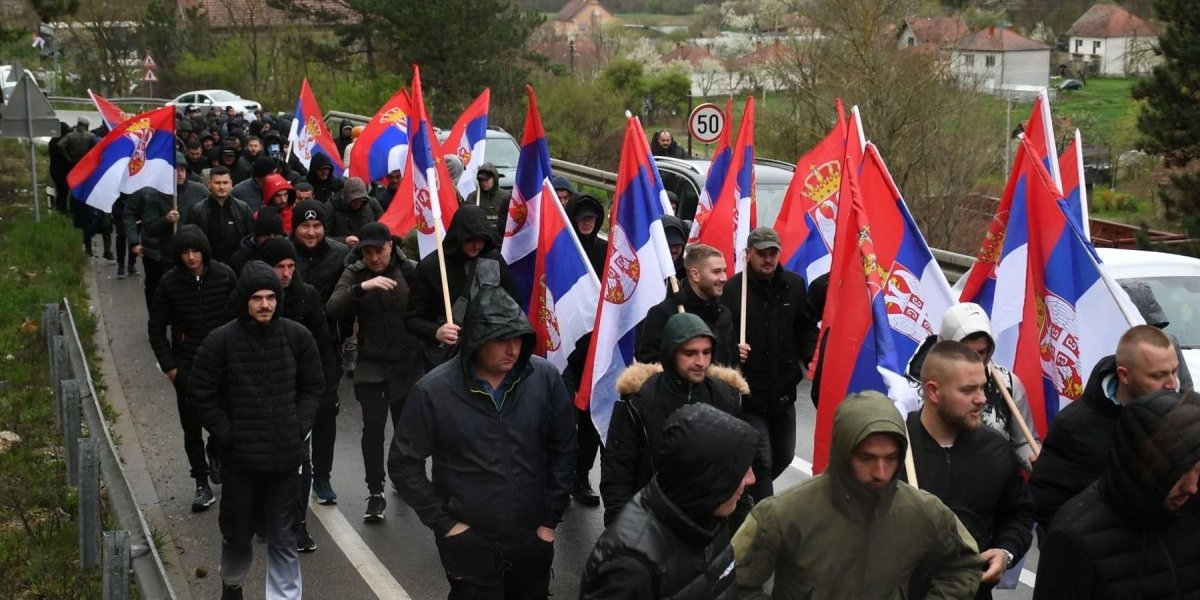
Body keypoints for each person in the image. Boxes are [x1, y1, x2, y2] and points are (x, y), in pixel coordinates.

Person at [389, 284, 576, 599]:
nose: (512, 349)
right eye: (501, 339)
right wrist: (447, 526)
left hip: (531, 541)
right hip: (468, 545)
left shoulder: (544, 378)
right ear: (477, 340)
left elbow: (565, 450)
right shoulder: (433, 391)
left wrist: (548, 524)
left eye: (518, 338)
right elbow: (404, 464)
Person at [732, 390, 985, 599]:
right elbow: (734, 584)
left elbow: (964, 565)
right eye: (867, 458)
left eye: (891, 458)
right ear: (844, 452)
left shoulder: (922, 511)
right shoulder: (782, 514)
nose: (881, 472)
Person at [189, 261, 324, 600]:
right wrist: (227, 434)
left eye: (271, 297)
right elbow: (201, 394)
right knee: (237, 536)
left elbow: (313, 387)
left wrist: (298, 426)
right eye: (257, 298)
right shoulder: (221, 341)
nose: (265, 305)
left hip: (284, 459)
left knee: (283, 536)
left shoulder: (298, 337)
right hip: (240, 462)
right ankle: (233, 585)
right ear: (244, 300)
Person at [580, 404, 758, 599]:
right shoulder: (628, 569)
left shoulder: (713, 519)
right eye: (740, 470)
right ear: (707, 478)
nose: (751, 479)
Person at [1034, 390, 1200, 599]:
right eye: (1179, 471)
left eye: (1198, 469)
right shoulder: (1073, 542)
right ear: (1144, 462)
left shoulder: (1191, 510)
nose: (1192, 487)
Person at [906, 341, 1035, 600]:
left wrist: (1006, 552)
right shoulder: (897, 448)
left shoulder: (996, 450)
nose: (982, 399)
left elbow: (1018, 516)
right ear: (933, 391)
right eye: (968, 390)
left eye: (982, 387)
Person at [601, 312, 749, 526]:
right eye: (690, 353)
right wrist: (619, 528)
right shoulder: (639, 400)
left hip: (708, 526)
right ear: (671, 353)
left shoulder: (727, 399)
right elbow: (618, 471)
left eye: (707, 352)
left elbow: (738, 470)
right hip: (651, 522)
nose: (701, 362)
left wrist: (741, 528)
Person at [1030, 324, 1180, 532]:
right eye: (1158, 375)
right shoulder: (1074, 426)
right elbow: (1048, 504)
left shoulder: (1183, 416)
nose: (1172, 384)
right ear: (1124, 375)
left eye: (1174, 371)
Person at [327, 223, 423, 522]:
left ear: (391, 246)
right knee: (373, 428)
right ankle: (375, 490)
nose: (374, 257)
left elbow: (428, 309)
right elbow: (333, 307)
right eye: (367, 252)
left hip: (407, 366)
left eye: (379, 251)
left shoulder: (410, 271)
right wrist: (361, 289)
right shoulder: (355, 272)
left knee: (406, 430)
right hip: (371, 365)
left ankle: (403, 476)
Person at [722, 227, 819, 502]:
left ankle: (741, 493)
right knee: (762, 461)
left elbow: (806, 327)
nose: (768, 259)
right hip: (749, 397)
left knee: (784, 455)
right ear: (749, 254)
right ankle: (762, 515)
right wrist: (732, 349)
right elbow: (719, 333)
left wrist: (806, 362)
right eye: (762, 253)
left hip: (783, 393)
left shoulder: (794, 286)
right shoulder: (733, 291)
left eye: (773, 253)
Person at [146, 225, 237, 511]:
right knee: (191, 426)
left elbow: (239, 316)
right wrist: (171, 368)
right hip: (187, 365)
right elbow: (156, 328)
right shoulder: (169, 283)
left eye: (195, 251)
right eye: (185, 252)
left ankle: (217, 451)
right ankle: (200, 481)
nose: (191, 257)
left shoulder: (224, 275)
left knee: (225, 418)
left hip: (223, 364)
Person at [261, 239, 341, 553]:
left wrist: (327, 389)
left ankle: (298, 524)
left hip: (299, 393)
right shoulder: (254, 298)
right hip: (262, 394)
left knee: (300, 459)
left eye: (291, 266)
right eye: (279, 267)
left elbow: (324, 346)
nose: (285, 273)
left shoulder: (307, 296)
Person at [906, 303, 1040, 471]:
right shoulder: (910, 390)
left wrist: (1037, 461)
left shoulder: (1008, 385)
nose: (975, 359)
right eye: (966, 351)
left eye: (982, 352)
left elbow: (1024, 442)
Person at [288, 200, 350, 504]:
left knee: (326, 413)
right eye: (305, 226)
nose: (311, 232)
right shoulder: (284, 254)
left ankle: (322, 477)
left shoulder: (340, 255)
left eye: (317, 226)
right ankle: (298, 472)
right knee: (292, 414)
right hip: (287, 350)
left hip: (326, 347)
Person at [404, 205, 517, 370]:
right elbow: (412, 318)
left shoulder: (494, 259)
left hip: (490, 352)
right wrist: (436, 332)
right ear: (458, 237)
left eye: (481, 239)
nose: (476, 245)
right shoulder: (431, 267)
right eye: (469, 240)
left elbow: (513, 303)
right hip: (449, 360)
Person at [635, 244, 739, 367]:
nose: (724, 278)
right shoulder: (663, 313)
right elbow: (649, 364)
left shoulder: (723, 314)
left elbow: (732, 363)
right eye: (716, 272)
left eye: (724, 271)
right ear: (695, 275)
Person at [1120, 280, 1193, 391]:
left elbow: (1185, 389)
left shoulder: (1168, 341)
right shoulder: (1167, 341)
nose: (1171, 383)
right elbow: (1186, 389)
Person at [182, 166, 254, 266]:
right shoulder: (197, 211)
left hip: (238, 266)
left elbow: (250, 238)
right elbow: (190, 240)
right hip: (208, 266)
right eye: (217, 183)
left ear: (231, 183)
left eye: (225, 183)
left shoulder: (243, 209)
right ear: (209, 184)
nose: (222, 187)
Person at [327, 176, 384, 249]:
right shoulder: (332, 207)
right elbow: (324, 238)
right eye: (354, 201)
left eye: (361, 200)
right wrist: (344, 240)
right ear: (346, 198)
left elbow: (384, 228)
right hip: (343, 250)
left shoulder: (372, 204)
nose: (358, 204)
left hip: (369, 249)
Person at [228, 208, 284, 277]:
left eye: (276, 235)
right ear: (257, 237)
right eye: (266, 235)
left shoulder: (287, 255)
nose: (272, 239)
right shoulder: (240, 259)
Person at [468, 162, 511, 240]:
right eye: (481, 180)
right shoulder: (472, 197)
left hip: (501, 240)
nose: (483, 183)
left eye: (486, 180)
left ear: (494, 178)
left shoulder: (506, 197)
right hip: (481, 240)